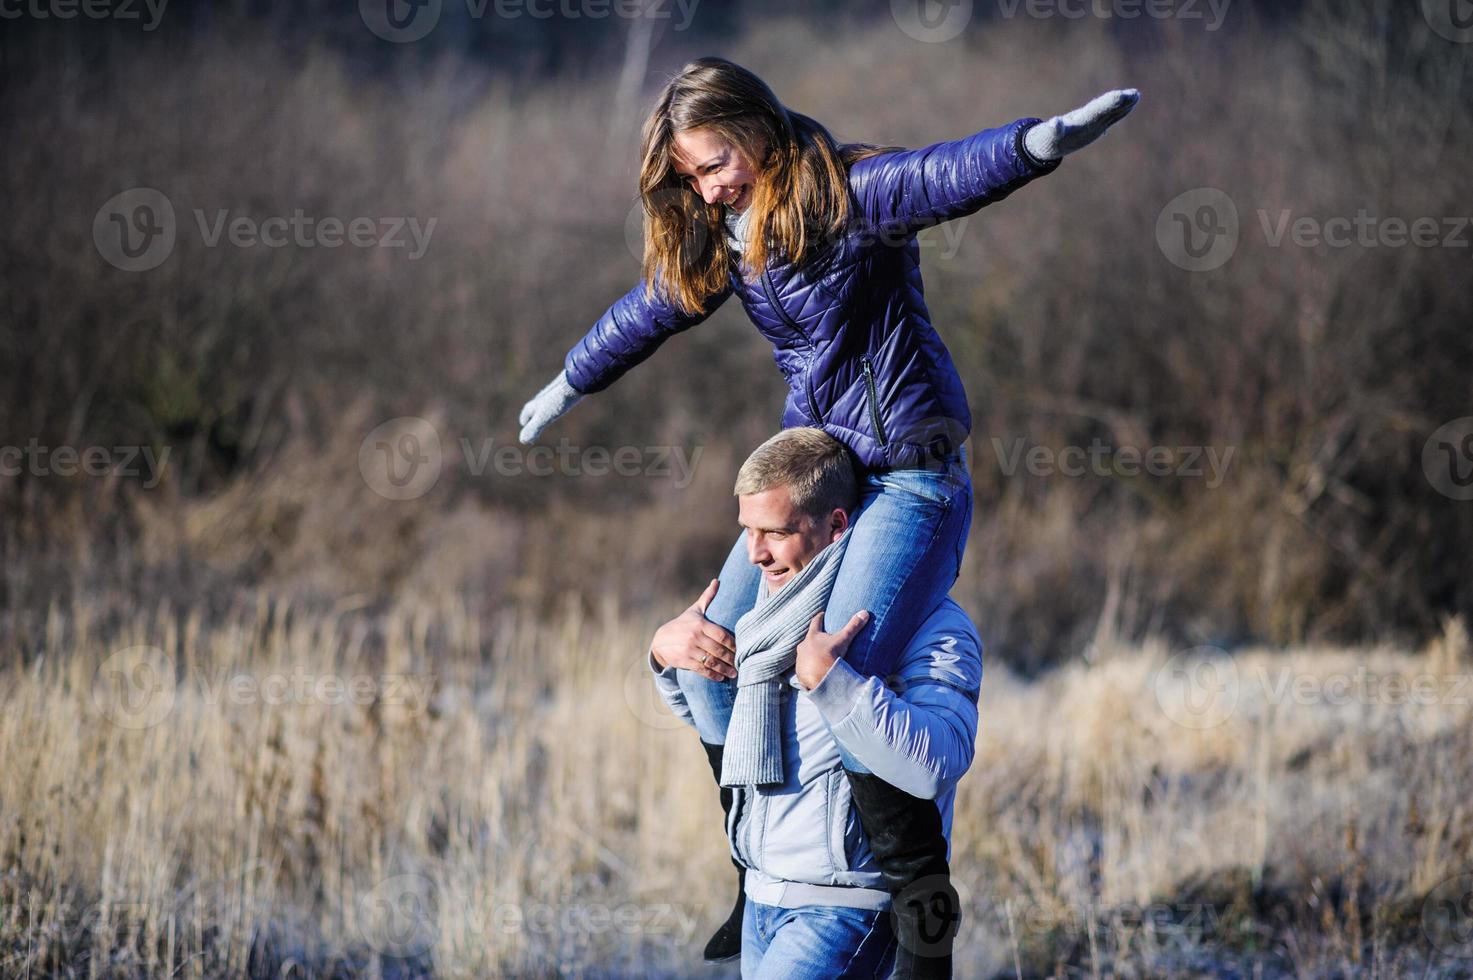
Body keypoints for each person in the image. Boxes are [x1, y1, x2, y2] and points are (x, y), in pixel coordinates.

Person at [517, 56, 1138, 971]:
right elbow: (650, 310)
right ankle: (750, 868)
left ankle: (920, 912)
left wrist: (1041, 142)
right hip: (818, 478)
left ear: (757, 125)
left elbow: (946, 175)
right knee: (710, 651)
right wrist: (568, 380)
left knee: (851, 671)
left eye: (716, 159)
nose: (708, 184)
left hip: (911, 477)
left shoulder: (850, 195)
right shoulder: (729, 236)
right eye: (690, 175)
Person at [649, 428, 983, 979]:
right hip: (762, 899)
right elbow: (733, 734)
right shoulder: (762, 609)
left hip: (844, 909)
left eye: (775, 532)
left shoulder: (929, 624)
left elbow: (938, 763)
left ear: (836, 524)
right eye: (747, 532)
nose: (755, 555)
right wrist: (668, 660)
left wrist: (838, 685)